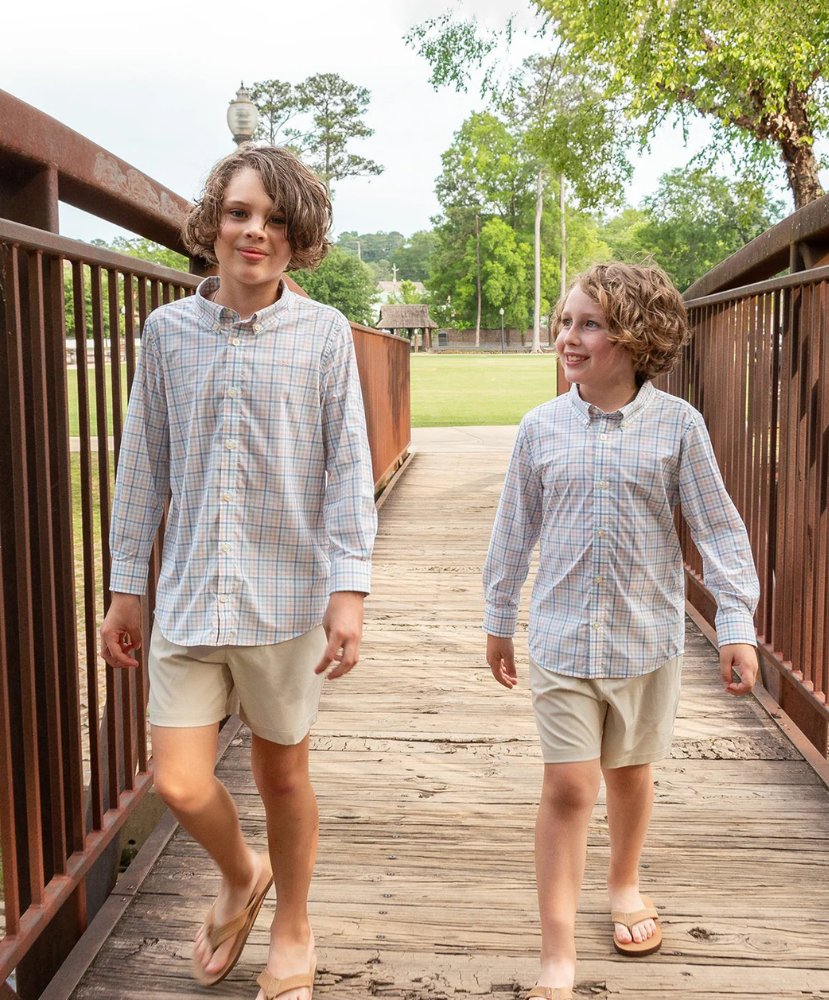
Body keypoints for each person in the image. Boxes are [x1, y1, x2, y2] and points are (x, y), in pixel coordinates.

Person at [100, 145, 377, 1000]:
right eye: (240, 213)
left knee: (281, 774)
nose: (256, 232)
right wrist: (125, 587)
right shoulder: (166, 333)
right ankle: (241, 873)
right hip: (188, 594)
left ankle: (292, 923)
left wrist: (348, 589)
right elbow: (143, 463)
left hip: (285, 599)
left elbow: (346, 467)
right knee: (180, 781)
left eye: (276, 221)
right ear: (212, 223)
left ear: (300, 240)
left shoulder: (324, 334)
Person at [482, 262, 760, 1000]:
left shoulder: (678, 427)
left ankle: (624, 884)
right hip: (562, 639)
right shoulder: (540, 429)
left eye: (589, 325)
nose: (567, 337)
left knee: (630, 774)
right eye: (564, 322)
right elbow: (513, 531)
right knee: (569, 786)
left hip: (645, 641)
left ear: (635, 339)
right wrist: (498, 616)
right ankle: (558, 950)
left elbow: (717, 529)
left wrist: (734, 622)